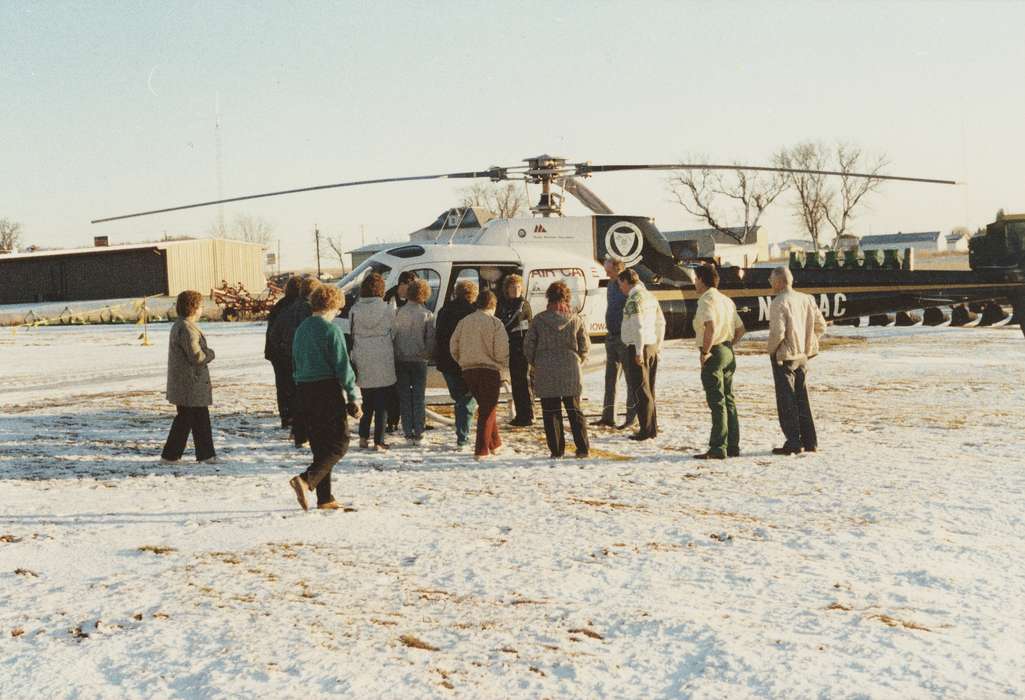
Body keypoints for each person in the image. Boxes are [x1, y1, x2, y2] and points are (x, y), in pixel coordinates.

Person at [288, 285, 361, 511]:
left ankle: (325, 497)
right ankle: (306, 479)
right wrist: (352, 396)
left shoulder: (301, 329)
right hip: (326, 390)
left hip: (303, 389)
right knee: (340, 443)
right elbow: (343, 366)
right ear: (333, 306)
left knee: (320, 446)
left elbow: (294, 362)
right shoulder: (331, 330)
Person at [524, 281, 590, 458]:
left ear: (548, 297)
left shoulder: (539, 320)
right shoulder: (576, 319)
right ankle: (583, 448)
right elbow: (585, 346)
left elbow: (528, 346)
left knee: (550, 412)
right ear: (567, 297)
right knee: (575, 410)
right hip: (571, 368)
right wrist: (578, 361)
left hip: (546, 368)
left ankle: (556, 450)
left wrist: (536, 362)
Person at [766, 266, 827, 455]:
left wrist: (772, 351)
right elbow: (821, 325)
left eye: (771, 280)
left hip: (785, 356)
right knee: (803, 399)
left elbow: (778, 332)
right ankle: (810, 441)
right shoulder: (807, 299)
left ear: (779, 281)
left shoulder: (778, 302)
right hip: (803, 355)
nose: (770, 283)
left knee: (787, 401)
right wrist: (809, 343)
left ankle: (793, 442)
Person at [691, 264, 746, 460]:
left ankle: (718, 447)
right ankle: (733, 445)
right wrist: (728, 345)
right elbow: (741, 329)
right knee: (729, 399)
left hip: (713, 352)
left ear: (702, 280)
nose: (694, 282)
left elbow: (710, 328)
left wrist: (705, 352)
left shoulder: (706, 300)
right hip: (727, 351)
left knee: (717, 402)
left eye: (695, 278)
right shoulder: (726, 300)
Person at [450, 289, 509, 460]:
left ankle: (495, 443)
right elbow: (501, 350)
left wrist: (462, 360)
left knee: (486, 406)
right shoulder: (495, 323)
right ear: (493, 305)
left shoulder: (464, 322)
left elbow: (453, 345)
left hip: (468, 370)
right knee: (487, 409)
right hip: (489, 370)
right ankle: (481, 449)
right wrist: (501, 366)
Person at [161, 290, 218, 464]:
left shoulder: (181, 325)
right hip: (190, 384)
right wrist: (210, 354)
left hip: (186, 384)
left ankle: (177, 455)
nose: (202, 310)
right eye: (200, 306)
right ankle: (177, 455)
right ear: (193, 308)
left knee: (190, 419)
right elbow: (197, 357)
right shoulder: (187, 328)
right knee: (194, 419)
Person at [270, 276, 321, 447]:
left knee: (294, 393)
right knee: (305, 395)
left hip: (287, 355)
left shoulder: (287, 308)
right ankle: (303, 430)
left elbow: (275, 333)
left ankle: (294, 427)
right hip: (302, 356)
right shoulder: (308, 310)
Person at [349, 272, 396, 451]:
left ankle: (363, 437)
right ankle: (379, 440)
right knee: (382, 404)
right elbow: (395, 331)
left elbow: (352, 333)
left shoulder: (355, 310)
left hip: (362, 356)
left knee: (367, 401)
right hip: (383, 356)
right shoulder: (388, 309)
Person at [618, 268, 666, 441]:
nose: (620, 288)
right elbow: (661, 322)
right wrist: (658, 346)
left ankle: (645, 430)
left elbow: (637, 326)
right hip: (651, 345)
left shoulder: (633, 299)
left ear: (625, 281)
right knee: (649, 389)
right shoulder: (650, 296)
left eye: (620, 284)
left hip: (638, 347)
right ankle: (652, 427)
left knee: (640, 390)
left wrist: (638, 351)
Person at [433, 280, 479, 449]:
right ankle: (463, 437)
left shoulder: (444, 311)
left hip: (446, 362)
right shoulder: (473, 313)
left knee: (459, 398)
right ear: (473, 295)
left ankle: (462, 433)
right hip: (466, 362)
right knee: (467, 399)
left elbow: (439, 336)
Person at [594, 257, 636, 429]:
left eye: (609, 270)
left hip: (625, 337)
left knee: (630, 379)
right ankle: (608, 416)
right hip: (611, 336)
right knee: (610, 378)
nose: (606, 273)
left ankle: (631, 417)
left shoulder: (630, 287)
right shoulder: (611, 284)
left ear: (619, 270)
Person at [393, 279, 435, 445]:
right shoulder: (427, 314)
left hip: (401, 359)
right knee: (419, 396)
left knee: (404, 396)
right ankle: (419, 431)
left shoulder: (398, 312)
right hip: (419, 360)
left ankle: (407, 430)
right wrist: (427, 354)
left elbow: (393, 336)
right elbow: (430, 339)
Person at [496, 274, 534, 426]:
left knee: (524, 381)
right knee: (517, 382)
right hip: (513, 346)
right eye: (513, 287)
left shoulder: (522, 304)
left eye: (518, 287)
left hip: (522, 347)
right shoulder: (505, 304)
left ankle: (528, 415)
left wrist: (499, 328)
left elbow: (511, 322)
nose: (516, 290)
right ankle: (521, 414)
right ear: (507, 289)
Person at [383, 270, 418, 432]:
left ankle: (409, 420)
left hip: (407, 347)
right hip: (392, 348)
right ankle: (392, 420)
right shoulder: (390, 298)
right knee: (393, 389)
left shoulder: (411, 298)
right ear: (403, 284)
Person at [264, 276, 301, 428]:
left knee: (282, 385)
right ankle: (294, 415)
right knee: (294, 385)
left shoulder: (279, 305)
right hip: (286, 350)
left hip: (275, 351)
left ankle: (286, 416)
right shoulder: (297, 307)